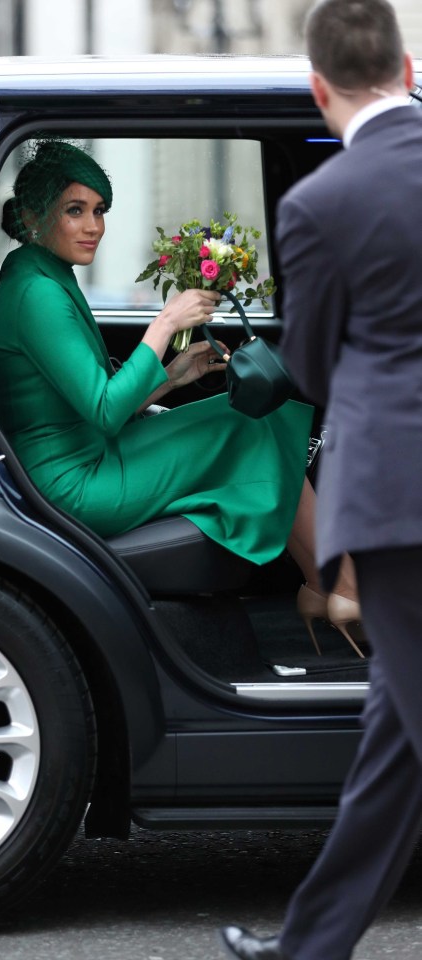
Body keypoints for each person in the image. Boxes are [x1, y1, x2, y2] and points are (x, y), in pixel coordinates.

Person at [220, 1, 422, 958]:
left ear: (318, 86)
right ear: (410, 66)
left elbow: (306, 364)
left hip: (399, 502)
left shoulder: (318, 206)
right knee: (398, 735)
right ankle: (309, 948)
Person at [0, 138, 358, 647]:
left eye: (99, 210)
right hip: (75, 482)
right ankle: (341, 588)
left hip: (88, 453)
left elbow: (91, 402)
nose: (94, 226)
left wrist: (174, 374)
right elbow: (104, 408)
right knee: (253, 423)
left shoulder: (42, 273)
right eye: (75, 211)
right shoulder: (36, 292)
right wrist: (166, 322)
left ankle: (329, 585)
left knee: (253, 417)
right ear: (33, 214)